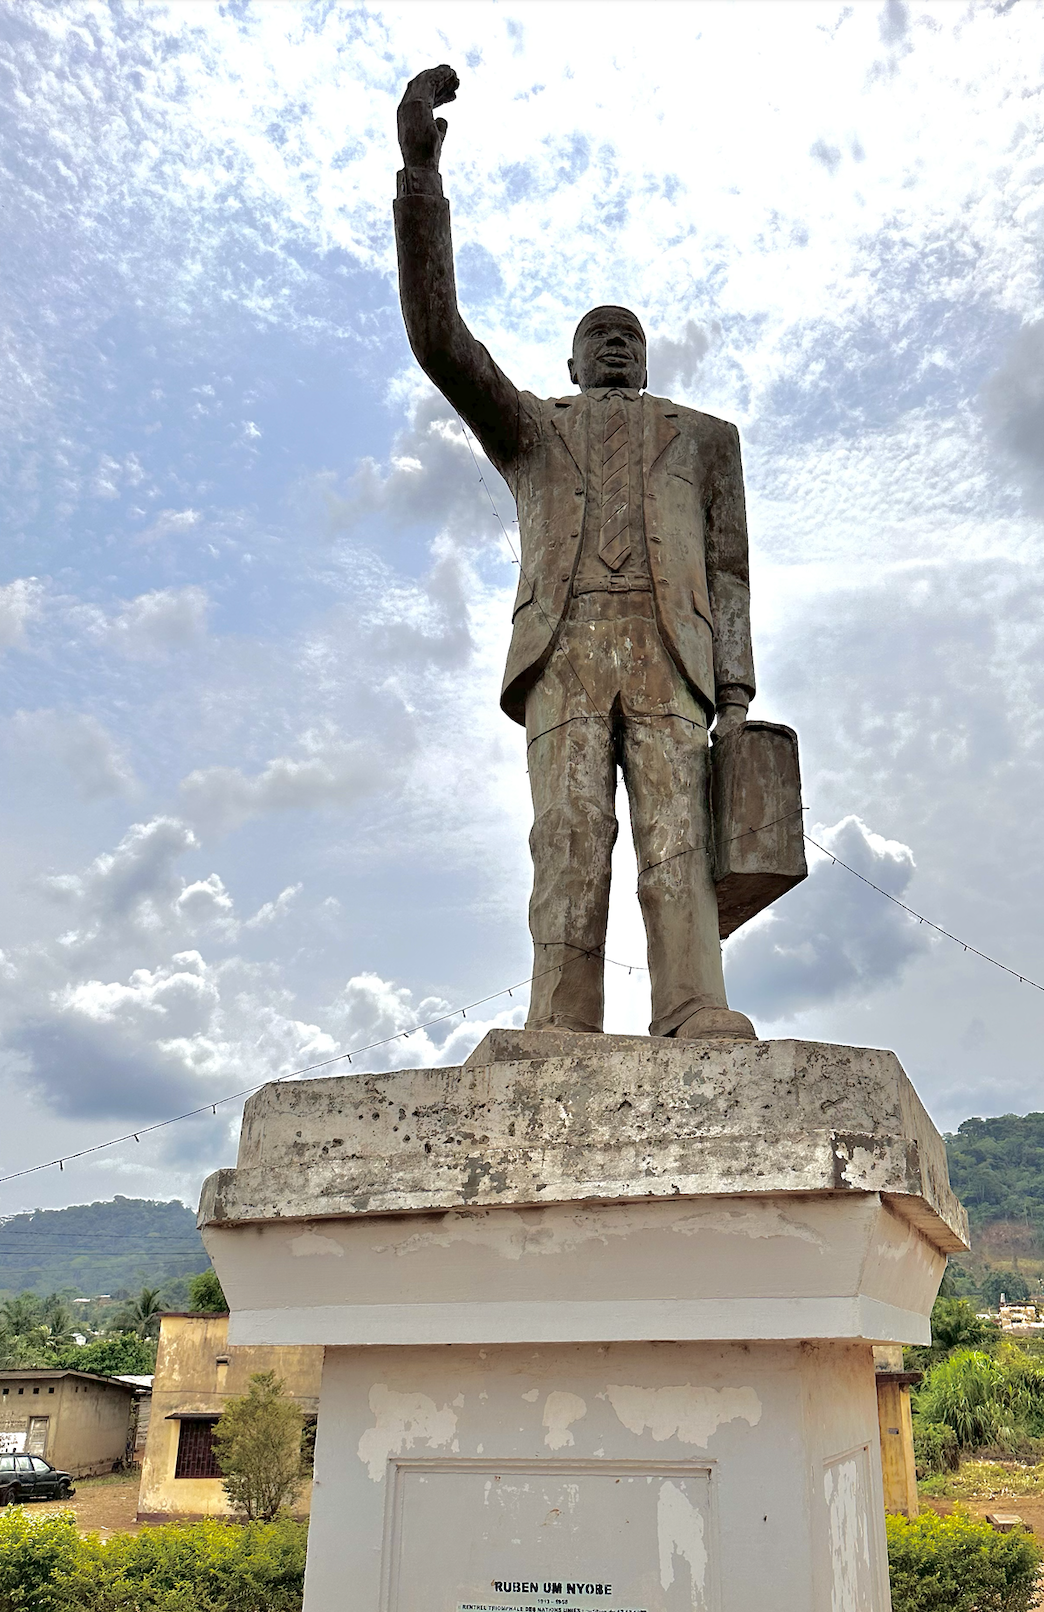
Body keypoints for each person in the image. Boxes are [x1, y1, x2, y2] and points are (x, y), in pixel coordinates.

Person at [394, 66, 756, 1040]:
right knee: (567, 838)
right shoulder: (529, 432)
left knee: (676, 842)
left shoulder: (702, 439)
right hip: (563, 645)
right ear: (566, 365)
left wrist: (737, 691)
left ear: (650, 358)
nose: (613, 346)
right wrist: (418, 182)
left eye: (628, 336)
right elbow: (440, 341)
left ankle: (691, 1004)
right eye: (596, 336)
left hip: (668, 649)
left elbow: (728, 572)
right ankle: (562, 1018)